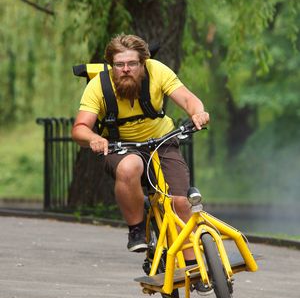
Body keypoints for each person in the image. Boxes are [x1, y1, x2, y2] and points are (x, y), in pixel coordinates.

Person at [72, 34, 209, 260]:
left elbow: (187, 100)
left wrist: (198, 113)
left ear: (143, 63)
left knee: (181, 202)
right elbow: (80, 128)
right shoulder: (99, 85)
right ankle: (137, 229)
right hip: (122, 147)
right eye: (119, 65)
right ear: (111, 65)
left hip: (163, 142)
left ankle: (194, 265)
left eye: (132, 64)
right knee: (129, 167)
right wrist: (93, 138)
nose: (126, 69)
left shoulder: (157, 71)